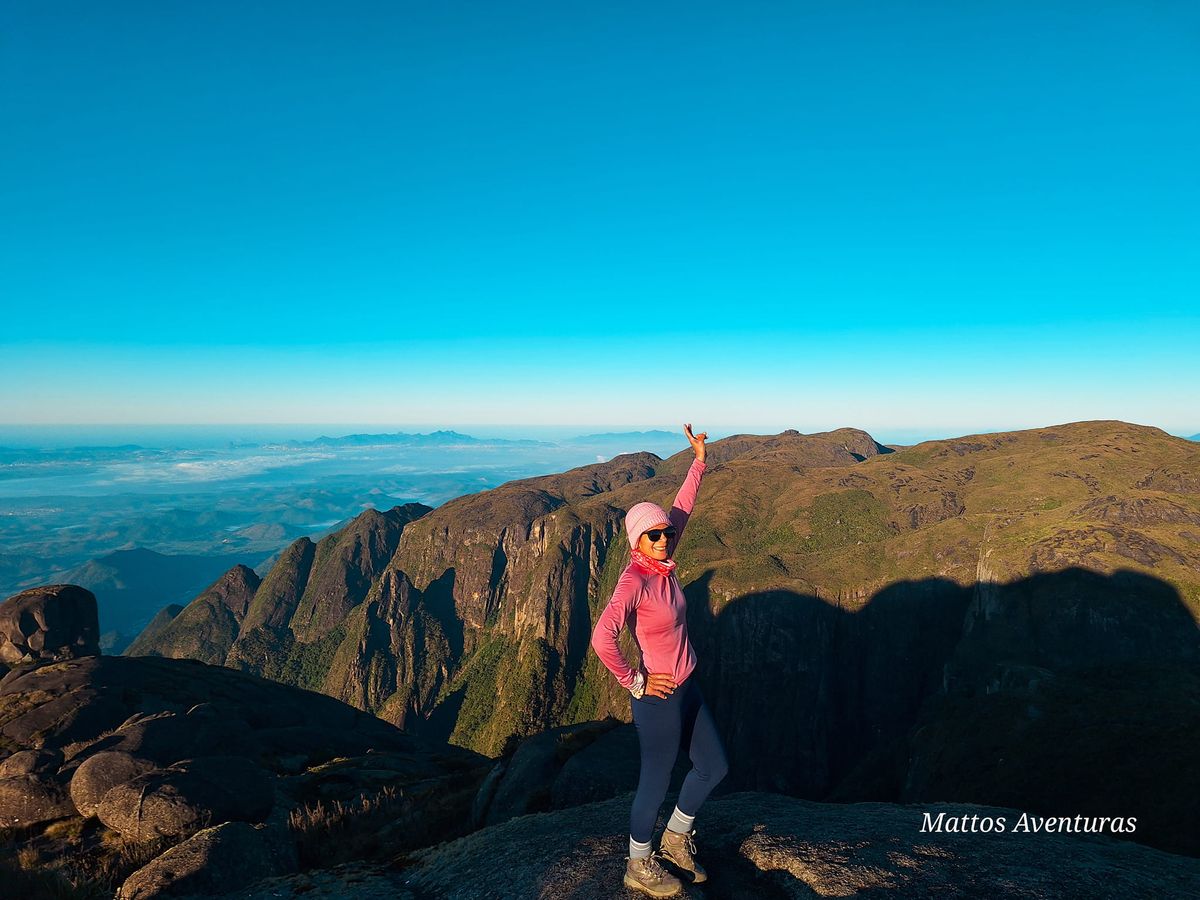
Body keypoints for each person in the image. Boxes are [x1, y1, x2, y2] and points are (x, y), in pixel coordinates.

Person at [590, 423, 729, 898]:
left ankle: (676, 837)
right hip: (659, 699)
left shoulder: (664, 561)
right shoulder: (635, 581)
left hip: (688, 687)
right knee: (654, 783)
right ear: (637, 542)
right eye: (654, 535)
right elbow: (601, 637)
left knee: (714, 767)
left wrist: (699, 460)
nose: (664, 538)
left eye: (666, 533)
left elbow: (683, 506)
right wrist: (636, 681)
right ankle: (638, 864)